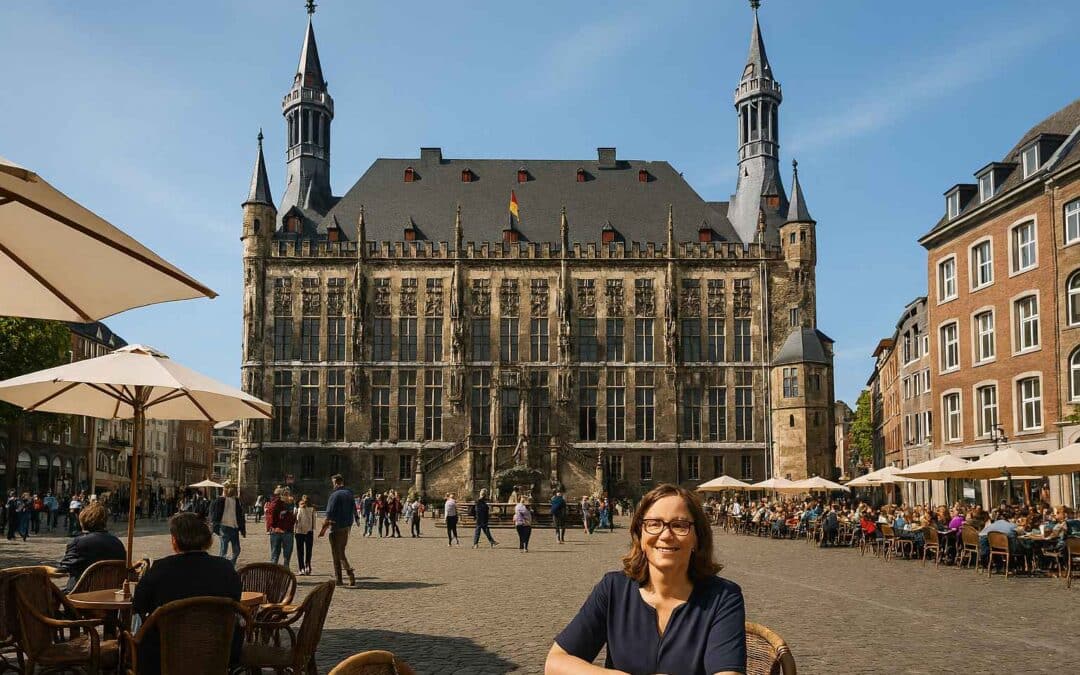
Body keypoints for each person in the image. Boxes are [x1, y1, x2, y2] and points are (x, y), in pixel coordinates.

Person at [545, 484, 746, 674]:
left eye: (679, 525)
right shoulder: (614, 589)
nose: (665, 535)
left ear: (697, 538)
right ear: (640, 535)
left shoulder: (723, 597)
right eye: (654, 524)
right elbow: (555, 662)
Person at [132, 513, 243, 674]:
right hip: (217, 652)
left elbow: (138, 606)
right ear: (207, 540)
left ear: (174, 541)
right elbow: (235, 600)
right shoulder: (225, 568)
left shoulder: (161, 568)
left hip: (164, 655)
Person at [54, 501, 126, 593]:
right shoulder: (117, 542)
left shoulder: (79, 543)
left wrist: (44, 569)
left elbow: (61, 570)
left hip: (80, 593)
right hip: (109, 593)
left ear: (82, 521)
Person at [318, 474, 356, 586]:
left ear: (335, 483)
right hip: (346, 527)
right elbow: (353, 509)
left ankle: (340, 577)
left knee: (337, 554)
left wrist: (323, 529)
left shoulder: (334, 495)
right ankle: (349, 574)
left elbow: (329, 513)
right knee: (341, 552)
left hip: (336, 527)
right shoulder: (349, 493)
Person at [210, 483, 246, 566]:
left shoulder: (236, 501)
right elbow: (213, 515)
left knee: (237, 550)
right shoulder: (219, 500)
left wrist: (242, 529)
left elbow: (240, 515)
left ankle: (231, 564)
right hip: (224, 527)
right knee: (223, 550)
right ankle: (222, 567)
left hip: (234, 527)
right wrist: (215, 528)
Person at [266, 487, 296, 567]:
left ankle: (285, 575)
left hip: (288, 531)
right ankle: (273, 576)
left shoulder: (291, 503)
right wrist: (273, 526)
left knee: (287, 557)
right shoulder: (276, 502)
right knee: (274, 557)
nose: (287, 495)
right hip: (277, 531)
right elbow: (270, 515)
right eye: (285, 494)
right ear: (281, 495)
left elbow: (292, 517)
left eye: (288, 494)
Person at [294, 495, 317, 576]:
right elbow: (314, 521)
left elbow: (295, 521)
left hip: (300, 532)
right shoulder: (311, 510)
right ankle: (305, 567)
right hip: (306, 531)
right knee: (306, 551)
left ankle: (303, 567)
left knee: (303, 551)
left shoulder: (307, 510)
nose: (304, 504)